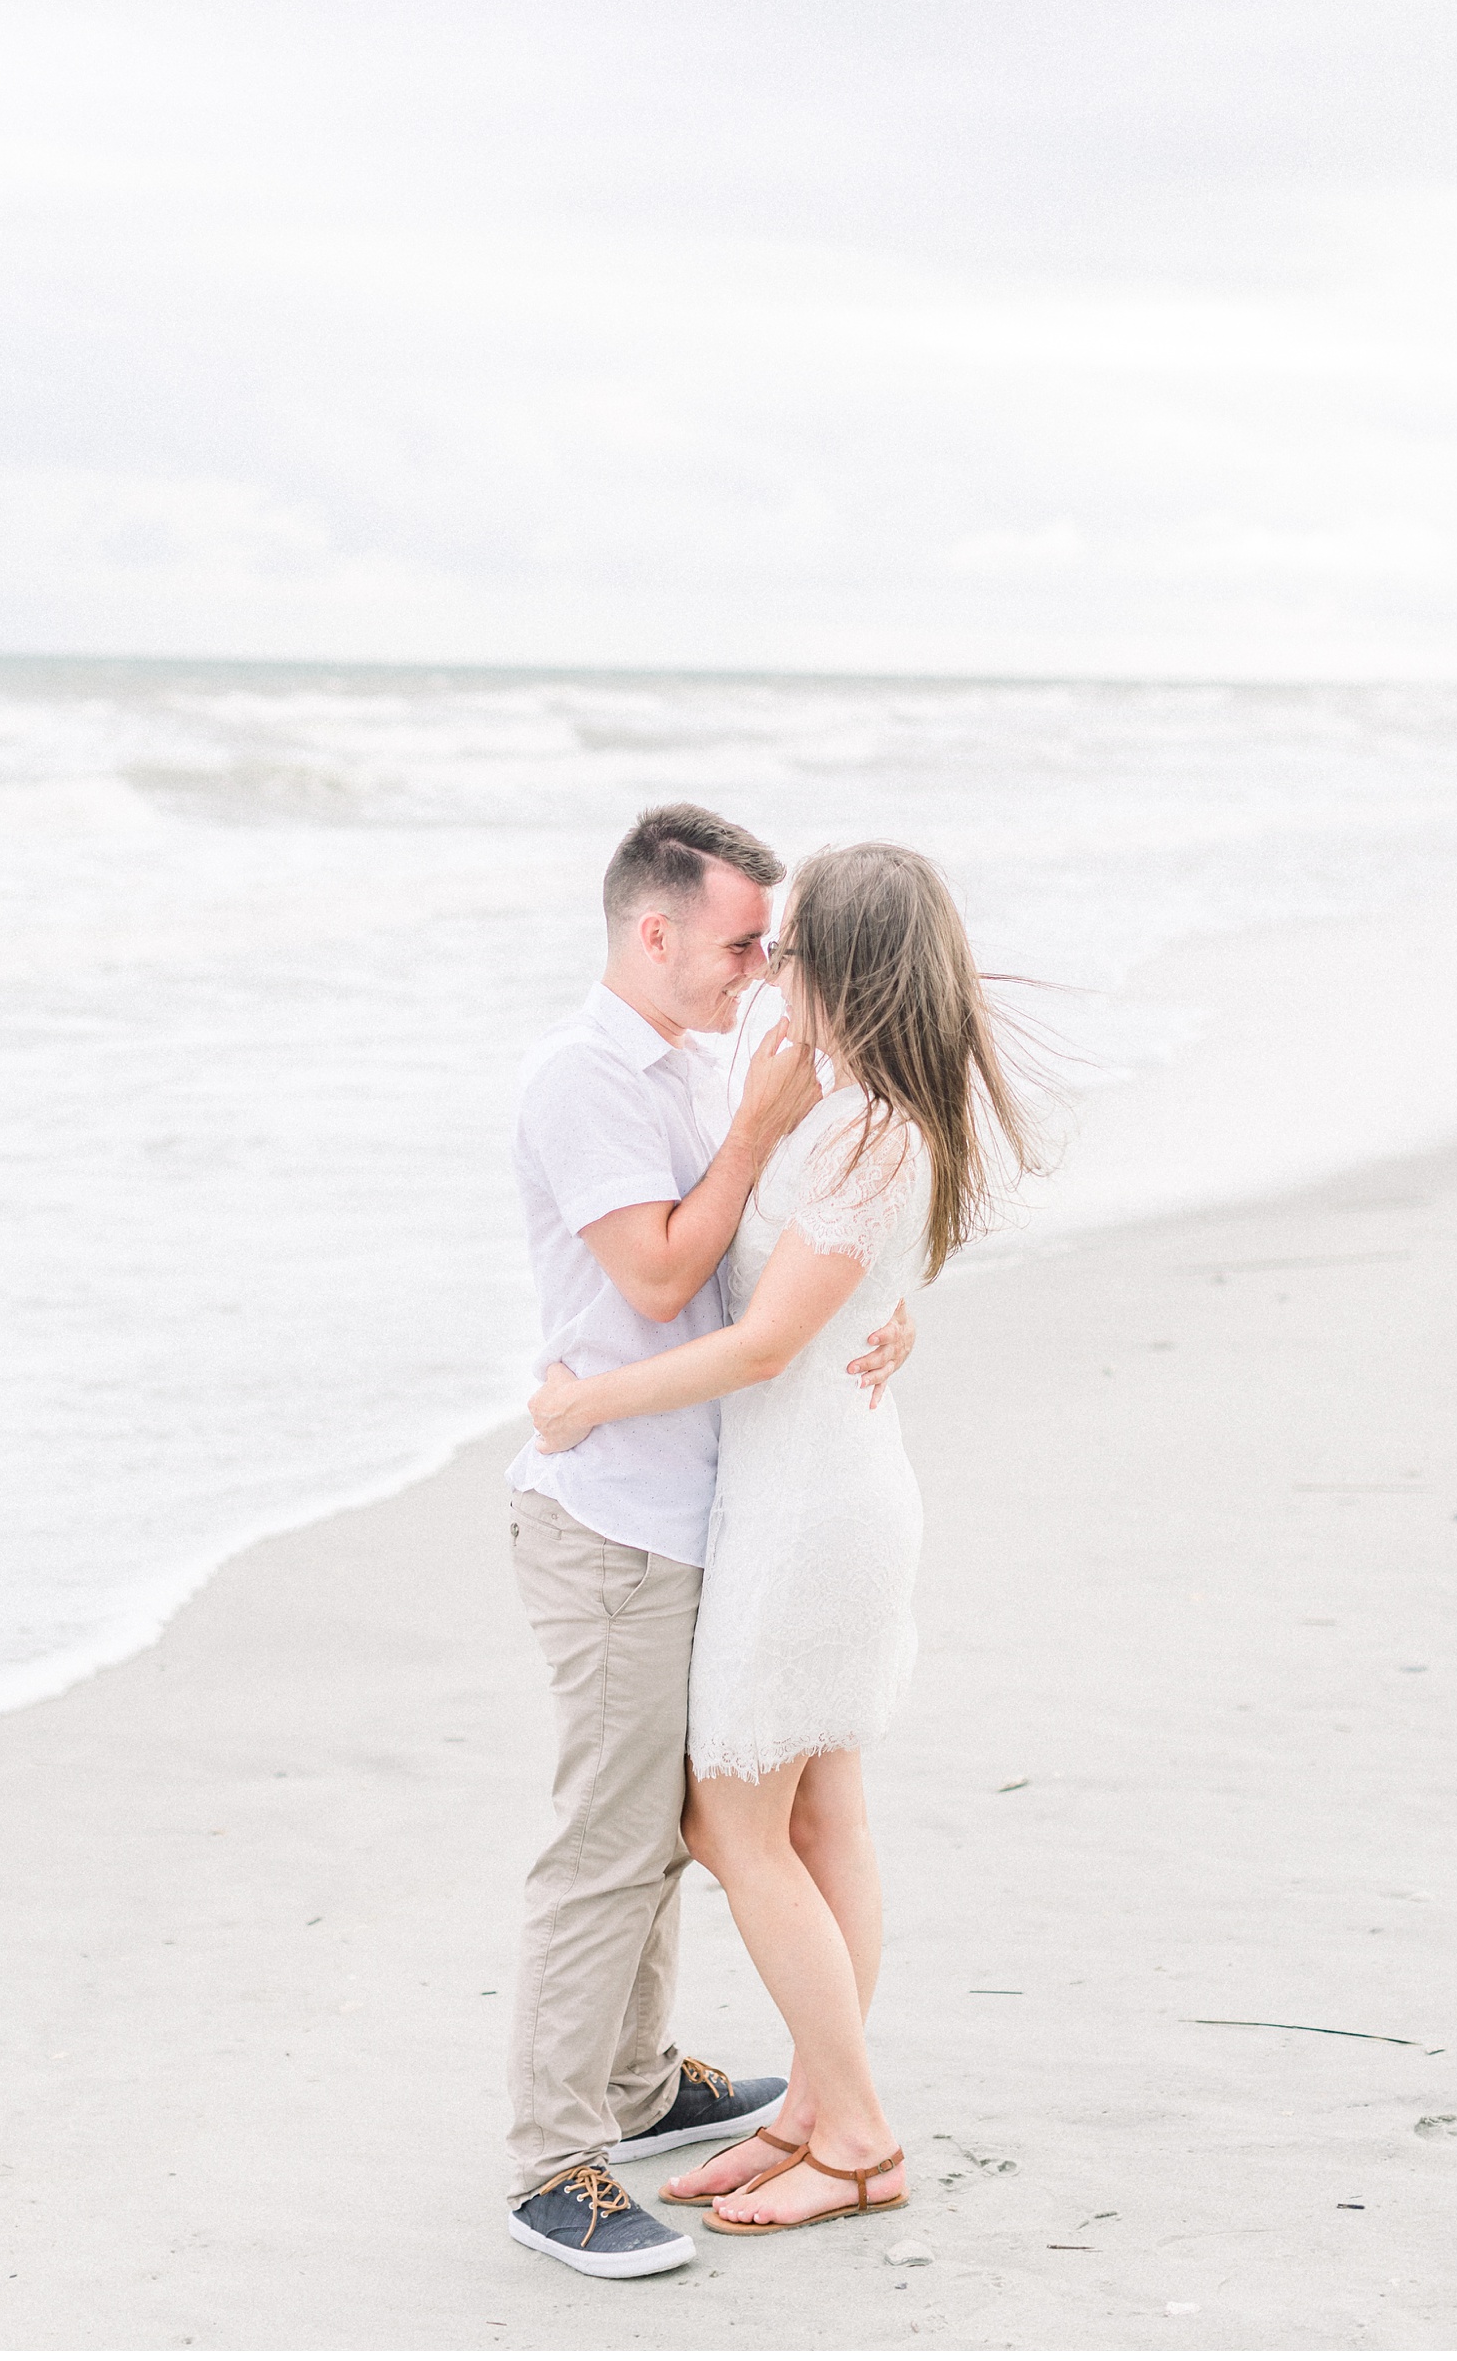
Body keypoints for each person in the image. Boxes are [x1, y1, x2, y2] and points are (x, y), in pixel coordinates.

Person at [529, 840, 1044, 2242]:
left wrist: (586, 1399)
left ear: (848, 969)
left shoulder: (869, 1128)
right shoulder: (855, 1110)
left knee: (730, 1817)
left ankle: (860, 2130)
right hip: (817, 1486)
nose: (772, 968)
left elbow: (760, 1342)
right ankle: (817, 2108)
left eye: (793, 944)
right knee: (822, 1812)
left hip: (809, 1504)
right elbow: (828, 1291)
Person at [505, 805, 917, 2280]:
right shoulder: (585, 1078)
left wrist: (880, 1309)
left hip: (730, 1508)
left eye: (777, 947)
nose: (760, 969)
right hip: (618, 1510)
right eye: (743, 941)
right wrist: (759, 1137)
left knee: (696, 1833)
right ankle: (553, 2156)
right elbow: (670, 1263)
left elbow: (795, 1268)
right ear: (653, 929)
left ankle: (647, 2083)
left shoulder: (714, 1067)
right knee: (616, 1844)